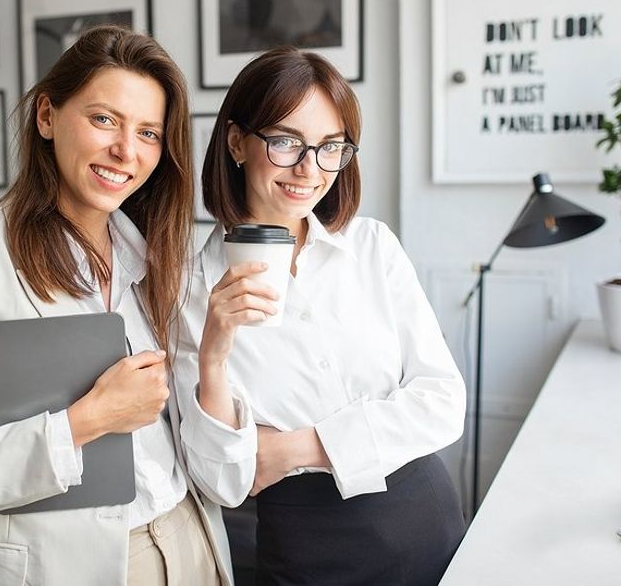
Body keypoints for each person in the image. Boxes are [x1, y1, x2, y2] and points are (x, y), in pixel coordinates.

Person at [0, 26, 234, 586]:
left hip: (188, 544)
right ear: (46, 117)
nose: (126, 151)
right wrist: (83, 423)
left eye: (149, 133)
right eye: (104, 119)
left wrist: (215, 358)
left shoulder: (162, 262)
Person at [175, 47, 467, 585]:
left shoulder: (373, 247)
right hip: (308, 543)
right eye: (286, 142)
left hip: (427, 514)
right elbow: (223, 480)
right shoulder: (191, 292)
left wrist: (290, 447)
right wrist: (214, 356)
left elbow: (443, 402)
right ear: (237, 142)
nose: (309, 169)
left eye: (330, 147)